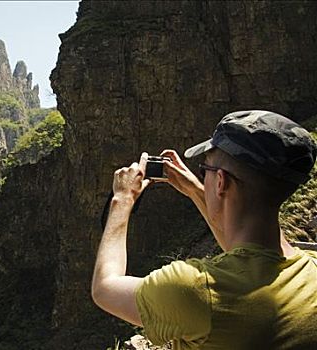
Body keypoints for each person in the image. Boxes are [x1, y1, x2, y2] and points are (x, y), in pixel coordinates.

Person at [91, 110, 317, 349]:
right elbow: (244, 254)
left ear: (221, 182)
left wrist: (122, 199)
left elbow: (104, 288)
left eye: (204, 170)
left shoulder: (197, 290)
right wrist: (196, 190)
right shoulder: (311, 271)